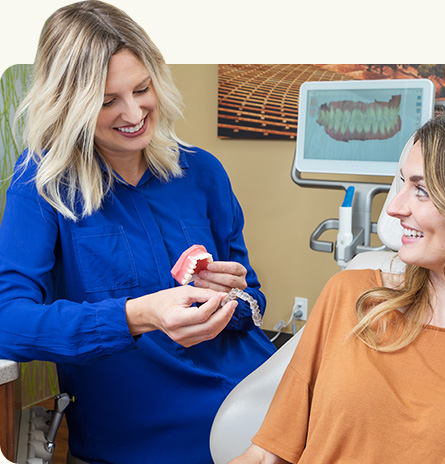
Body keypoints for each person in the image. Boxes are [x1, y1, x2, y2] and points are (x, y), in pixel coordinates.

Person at [0, 1, 275, 463]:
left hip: (257, 399)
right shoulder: (41, 187)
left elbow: (255, 299)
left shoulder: (202, 172)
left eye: (142, 89)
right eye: (107, 101)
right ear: (68, 105)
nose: (134, 113)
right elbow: (8, 321)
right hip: (149, 432)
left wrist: (231, 300)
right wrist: (136, 316)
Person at [230, 115, 445, 464]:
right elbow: (267, 454)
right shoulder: (352, 296)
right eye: (402, 183)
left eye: (422, 190)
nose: (394, 207)